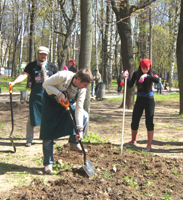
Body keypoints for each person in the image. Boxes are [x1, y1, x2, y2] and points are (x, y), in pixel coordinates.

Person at [40, 68, 94, 174]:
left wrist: (80, 129)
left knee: (84, 116)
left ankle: (74, 142)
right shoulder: (63, 76)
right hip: (51, 104)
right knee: (47, 131)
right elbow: (45, 84)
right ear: (77, 79)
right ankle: (48, 163)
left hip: (66, 103)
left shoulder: (82, 89)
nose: (86, 87)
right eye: (85, 84)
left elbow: (78, 108)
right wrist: (59, 93)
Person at [8, 46, 58, 147]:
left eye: (45, 54)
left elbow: (58, 79)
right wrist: (14, 82)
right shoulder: (31, 65)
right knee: (32, 117)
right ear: (38, 54)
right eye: (41, 54)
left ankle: (50, 138)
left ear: (47, 55)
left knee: (49, 117)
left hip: (49, 96)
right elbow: (24, 75)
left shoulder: (52, 66)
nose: (43, 56)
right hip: (36, 95)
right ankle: (29, 139)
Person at [123, 58, 159, 151]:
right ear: (140, 67)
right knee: (135, 119)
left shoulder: (151, 73)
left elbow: (157, 80)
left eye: (147, 69)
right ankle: (133, 140)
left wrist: (147, 76)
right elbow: (130, 84)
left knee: (149, 121)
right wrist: (125, 78)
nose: (145, 70)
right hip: (139, 99)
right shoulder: (136, 74)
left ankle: (149, 145)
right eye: (143, 69)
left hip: (149, 100)